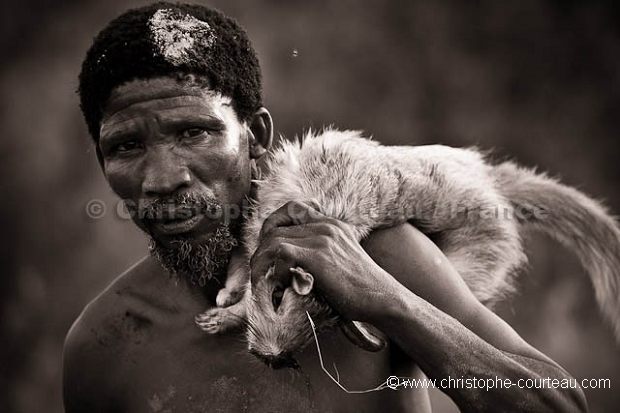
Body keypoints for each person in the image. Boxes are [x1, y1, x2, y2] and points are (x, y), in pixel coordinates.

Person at [63, 2, 587, 412]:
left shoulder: (372, 250)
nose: (162, 180)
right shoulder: (105, 346)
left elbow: (558, 405)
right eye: (126, 146)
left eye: (194, 132)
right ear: (102, 160)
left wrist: (383, 299)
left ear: (256, 136)